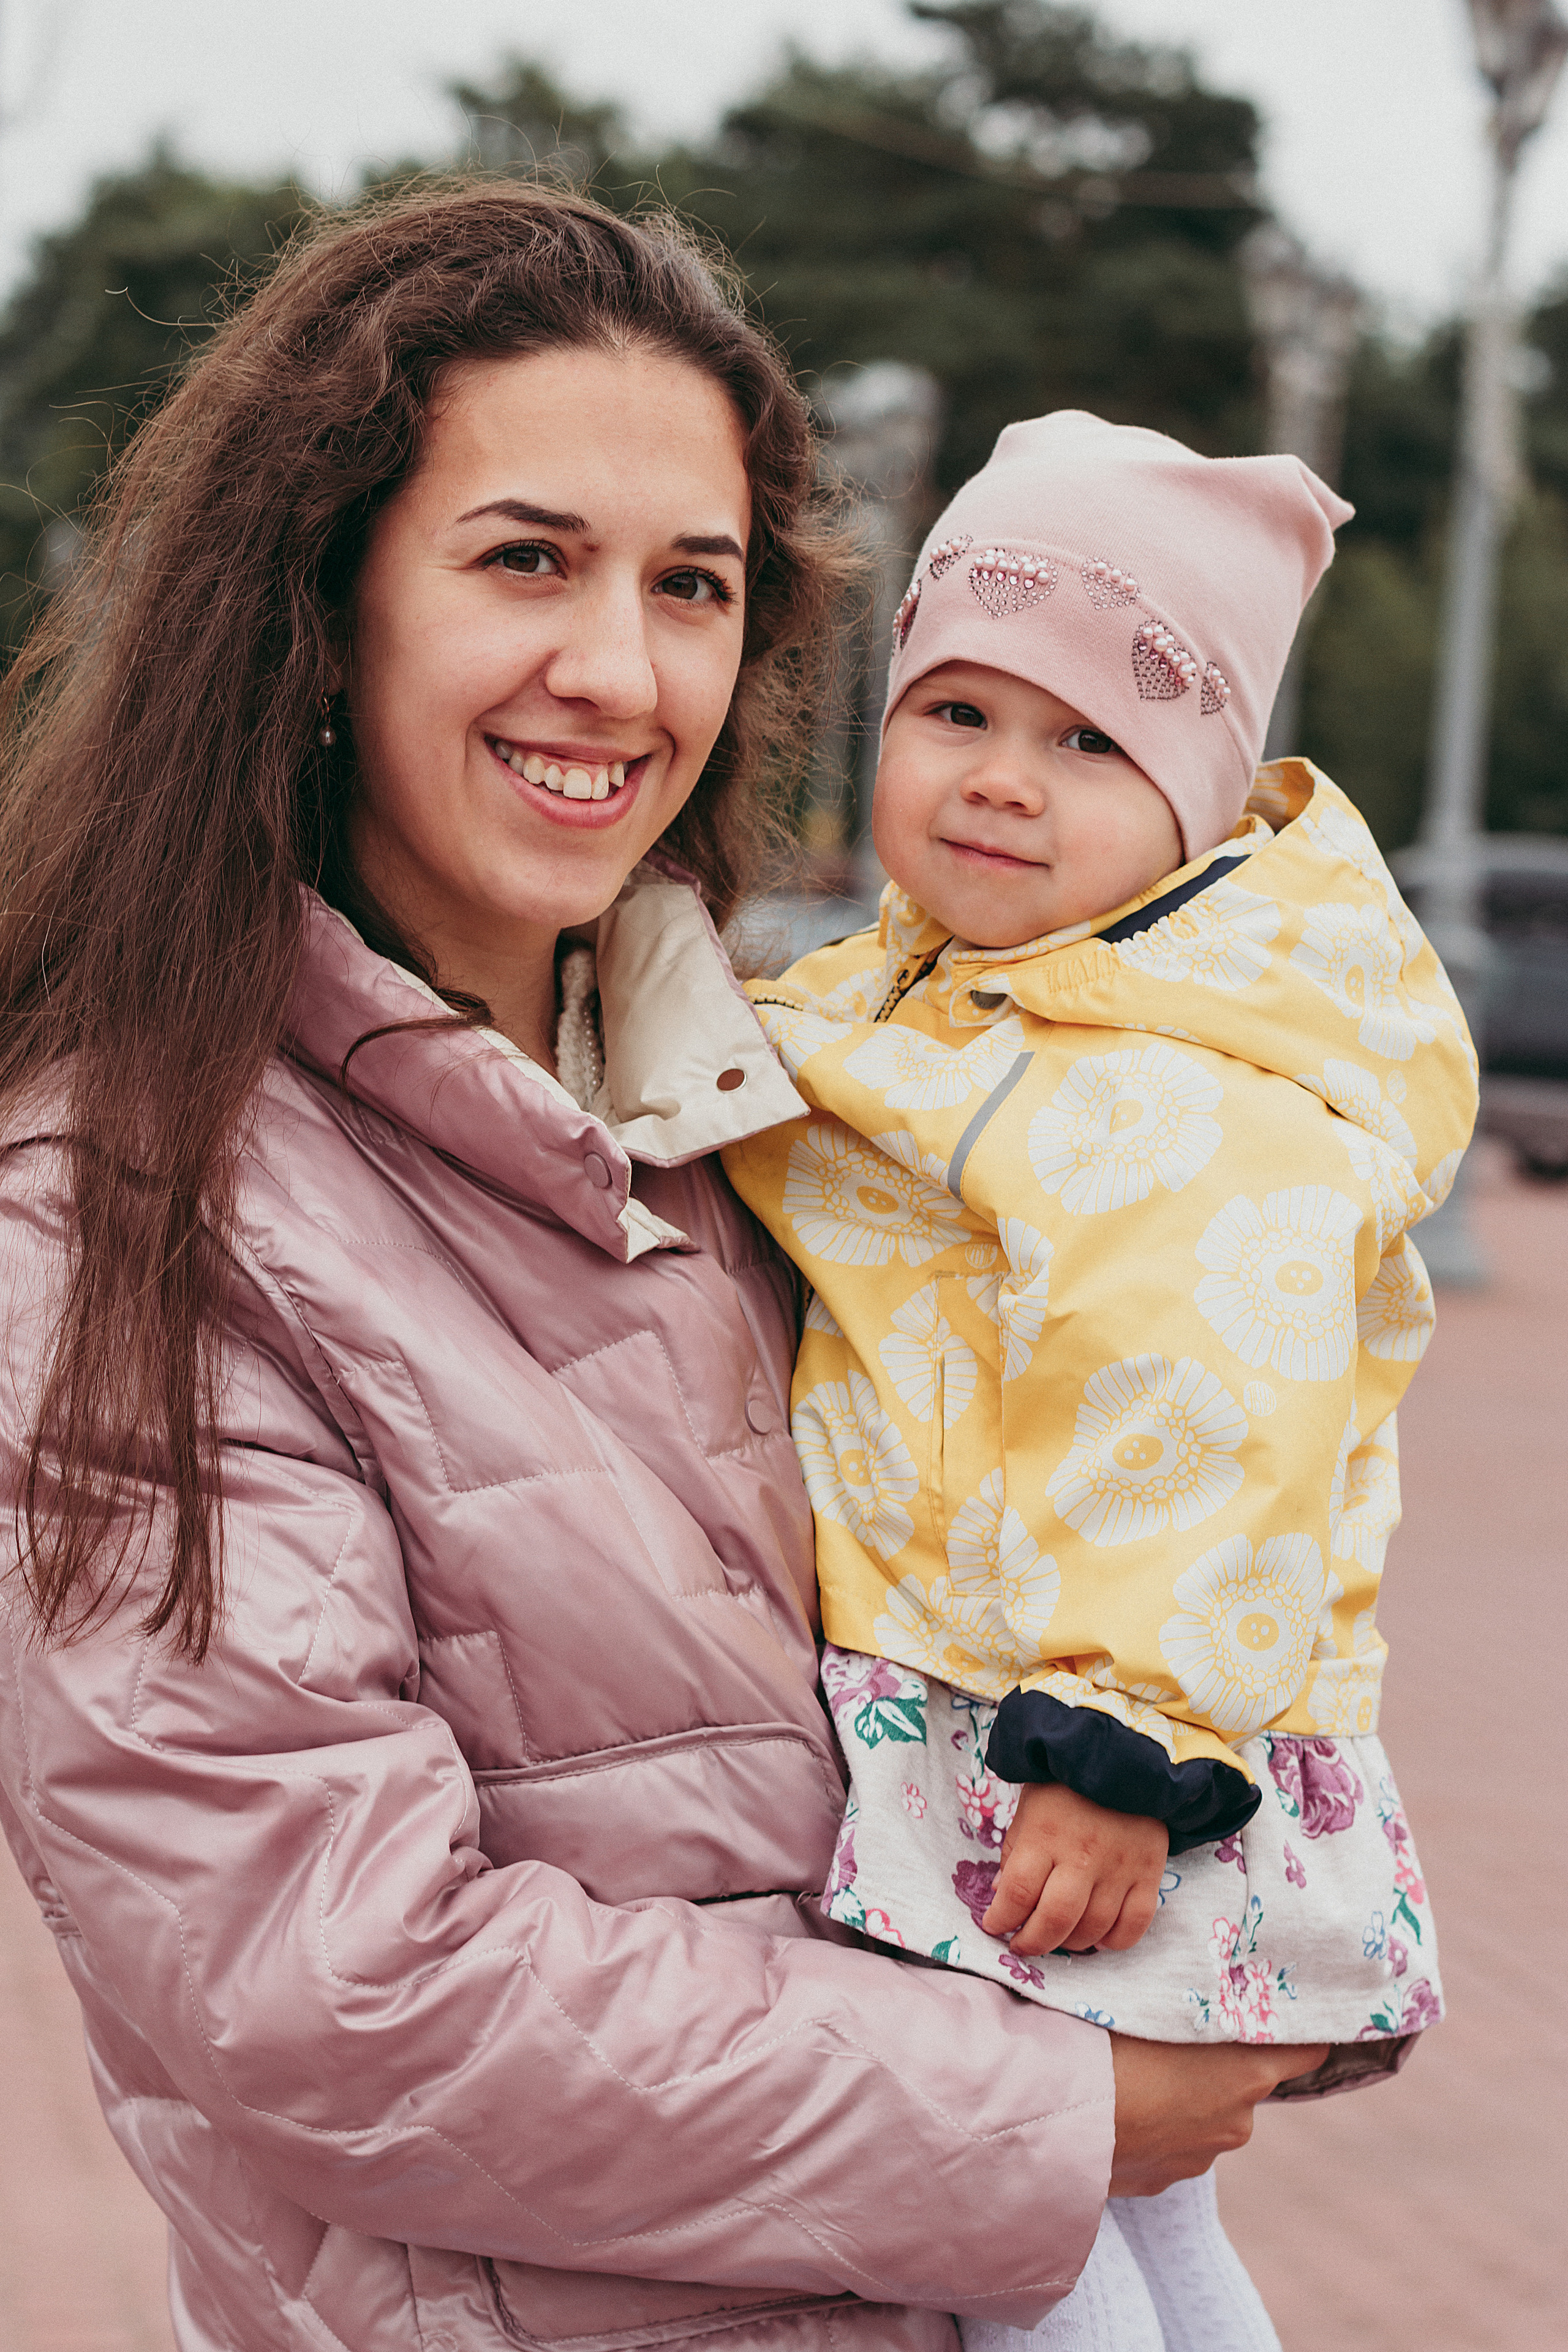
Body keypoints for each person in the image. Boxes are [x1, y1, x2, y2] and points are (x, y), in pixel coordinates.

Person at [0, 190, 1317, 2352]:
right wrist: (1050, 2115)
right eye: (527, 559)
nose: (617, 671)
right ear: (318, 608)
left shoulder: (769, 1129)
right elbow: (339, 1992)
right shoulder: (127, 1207)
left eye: (690, 587)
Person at [723, 413, 1478, 2349]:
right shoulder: (952, 1000)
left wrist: (1120, 1741)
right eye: (957, 712)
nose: (1000, 784)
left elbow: (1217, 1415)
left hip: (1075, 1742)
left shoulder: (1188, 1087)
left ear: (1205, 807)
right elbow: (800, 1079)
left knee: (1021, 2224)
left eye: (1089, 746)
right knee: (1119, 2214)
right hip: (998, 1695)